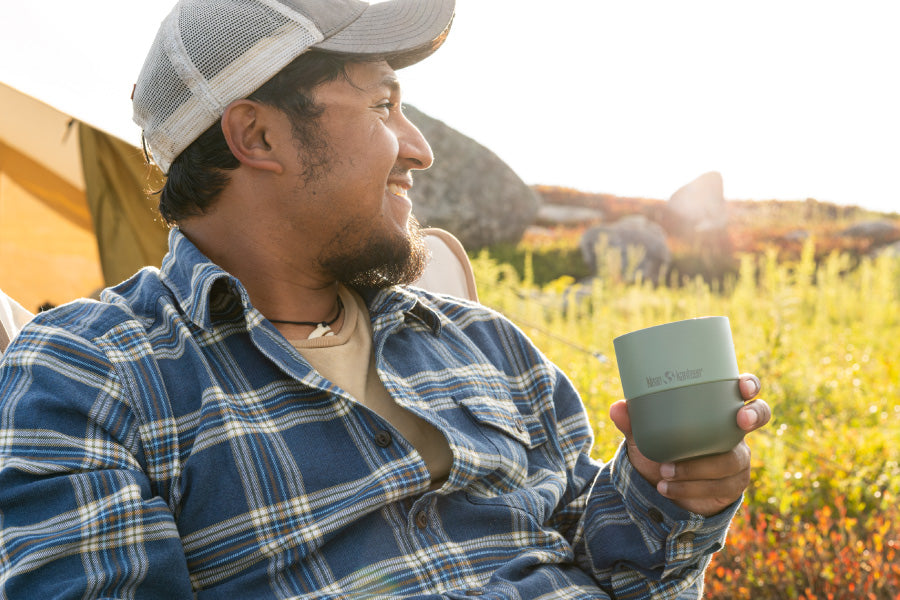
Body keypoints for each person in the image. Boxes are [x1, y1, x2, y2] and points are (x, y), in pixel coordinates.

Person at [0, 0, 771, 598]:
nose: (419, 146)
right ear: (257, 136)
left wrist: (666, 491)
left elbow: (618, 568)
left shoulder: (483, 342)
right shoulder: (89, 372)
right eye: (381, 106)